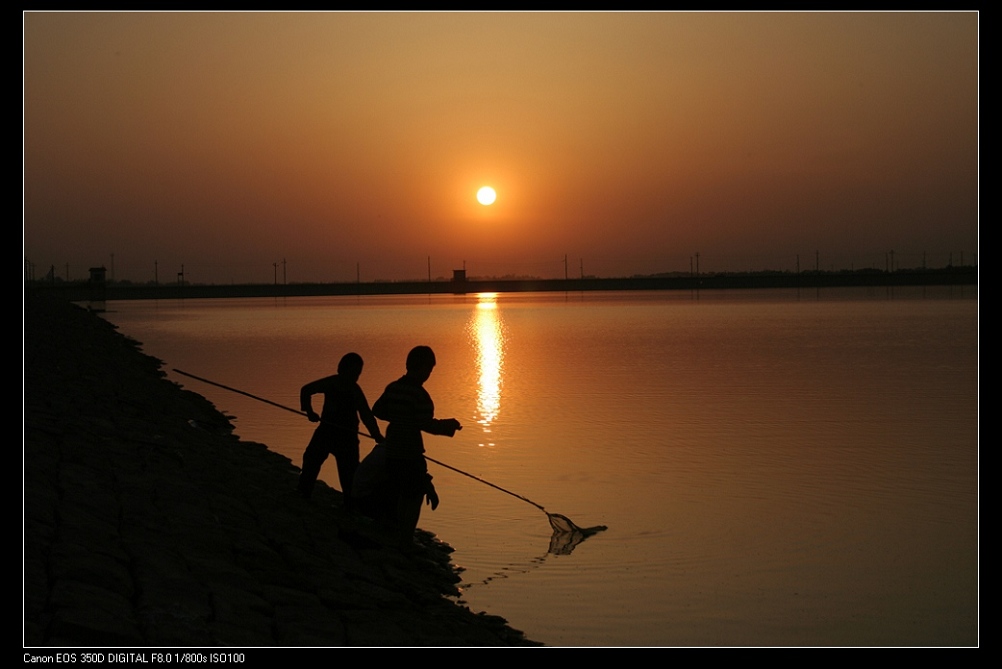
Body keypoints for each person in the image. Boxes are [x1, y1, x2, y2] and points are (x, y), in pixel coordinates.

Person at [363, 345, 461, 543]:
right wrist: (449, 426)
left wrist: (399, 418)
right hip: (410, 452)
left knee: (399, 491)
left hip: (392, 450)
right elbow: (426, 424)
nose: (429, 374)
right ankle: (405, 539)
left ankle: (395, 533)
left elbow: (378, 410)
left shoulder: (393, 387)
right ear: (423, 368)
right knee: (414, 495)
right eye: (429, 370)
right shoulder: (420, 395)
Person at [297, 352, 383, 504]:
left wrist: (376, 435)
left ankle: (350, 503)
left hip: (347, 438)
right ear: (342, 369)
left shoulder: (355, 391)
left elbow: (366, 415)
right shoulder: (331, 383)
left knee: (349, 475)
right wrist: (309, 411)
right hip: (326, 432)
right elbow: (306, 390)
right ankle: (304, 493)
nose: (355, 377)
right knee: (311, 460)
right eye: (353, 373)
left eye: (357, 374)